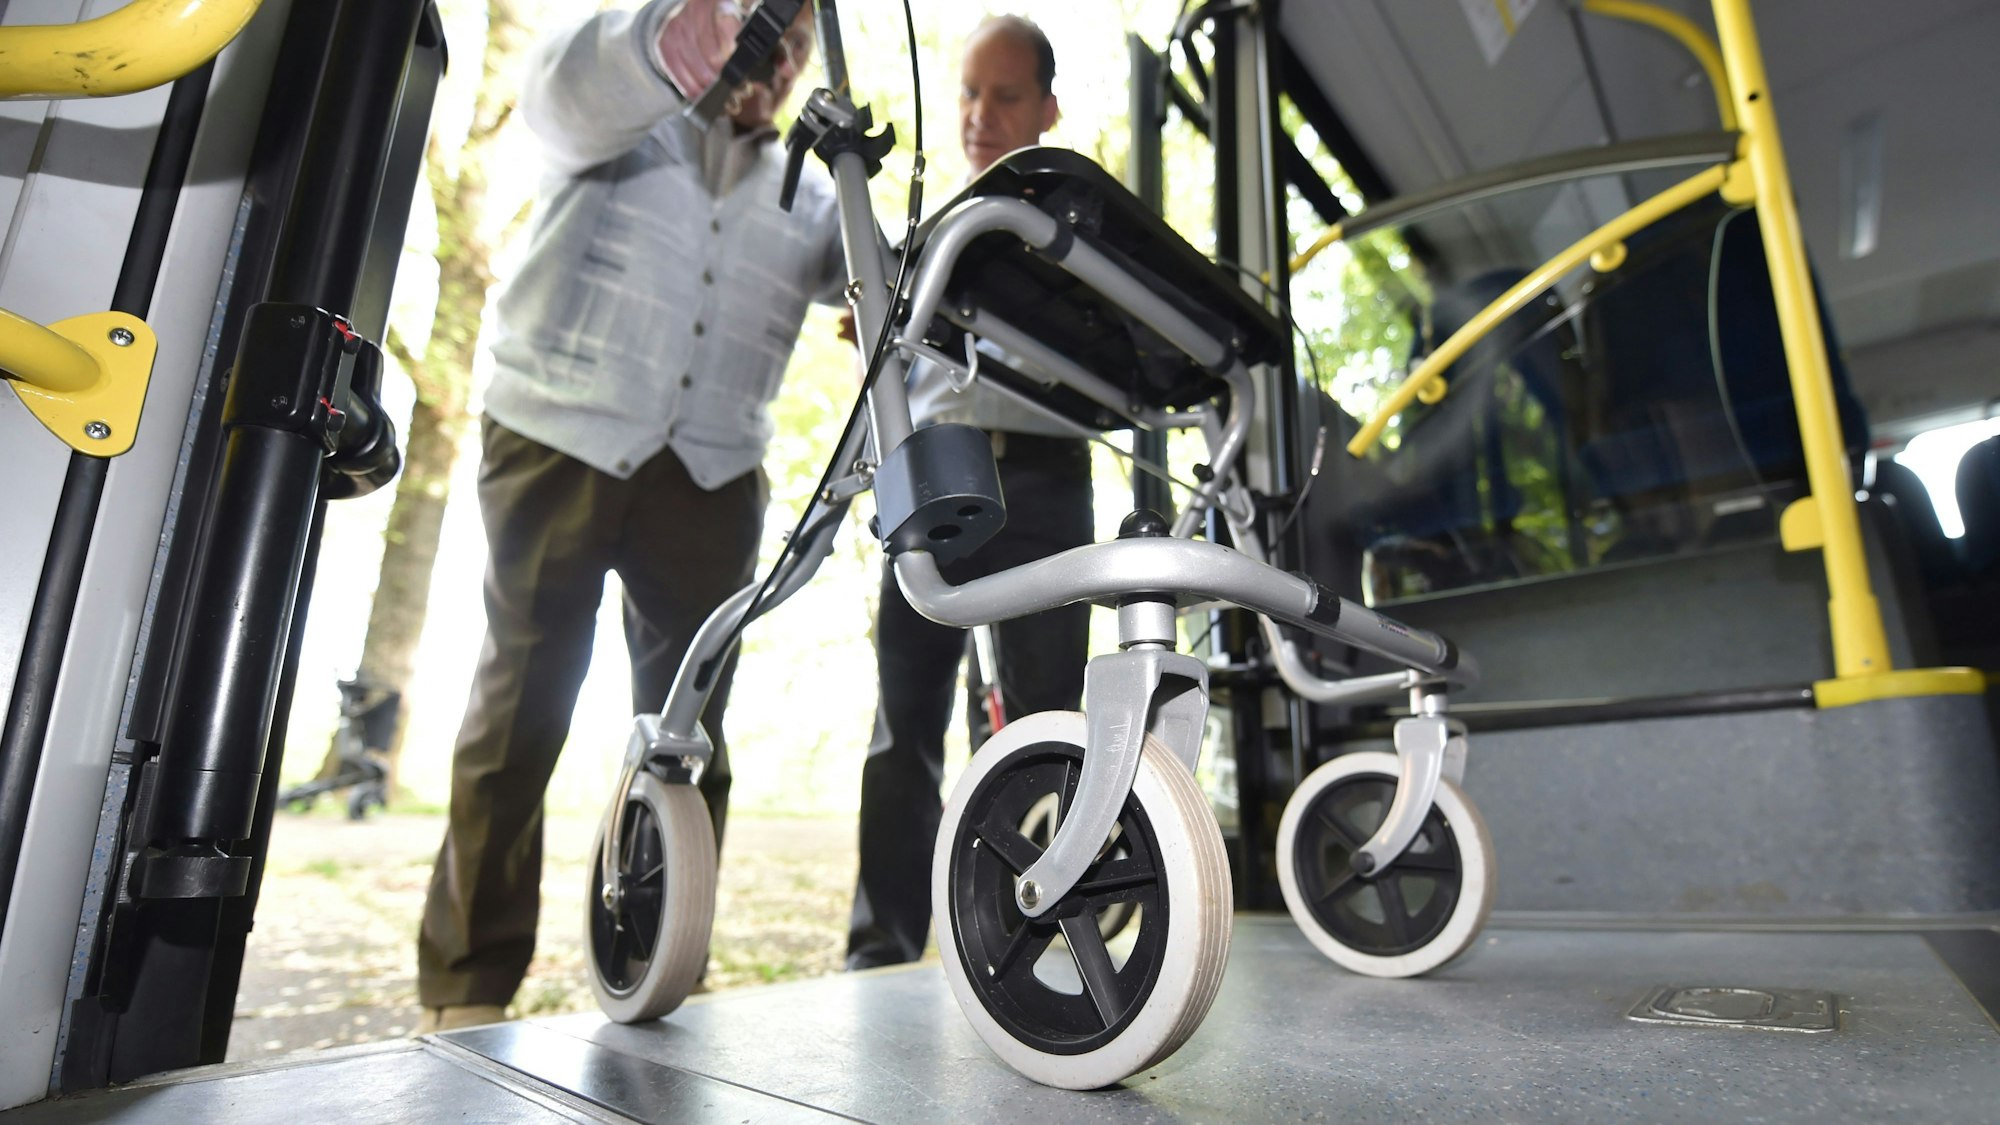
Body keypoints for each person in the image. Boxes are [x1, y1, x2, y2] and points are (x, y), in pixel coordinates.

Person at [416, 0, 841, 1032]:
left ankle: (655, 965)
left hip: (709, 476)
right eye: (764, 36)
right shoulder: (619, 106)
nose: (775, 65)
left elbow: (873, 286)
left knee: (687, 735)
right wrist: (683, 37)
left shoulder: (814, 195)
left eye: (794, 51)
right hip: (555, 441)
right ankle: (466, 989)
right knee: (516, 713)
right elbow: (563, 94)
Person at [846, 15, 1093, 970]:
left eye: (1005, 96)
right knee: (902, 722)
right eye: (968, 93)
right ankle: (881, 947)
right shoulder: (912, 244)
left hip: (1044, 474)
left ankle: (1030, 937)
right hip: (932, 471)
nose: (980, 115)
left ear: (1048, 109)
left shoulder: (1078, 236)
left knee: (1045, 718)